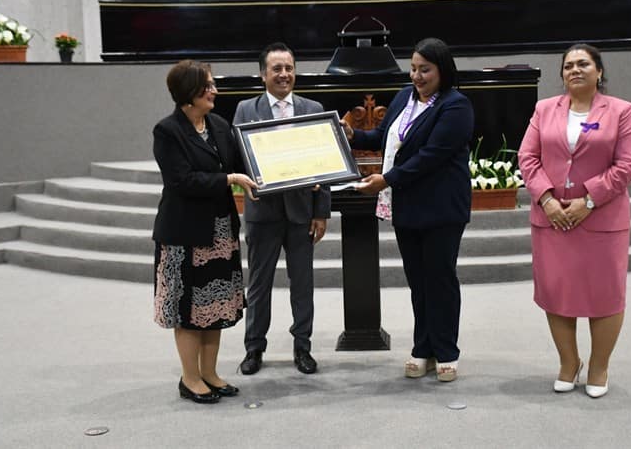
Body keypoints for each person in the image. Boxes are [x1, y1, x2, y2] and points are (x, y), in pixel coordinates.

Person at [340, 37, 474, 382]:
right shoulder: (404, 97)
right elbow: (385, 137)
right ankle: (423, 348)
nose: (416, 75)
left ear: (442, 70)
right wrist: (353, 134)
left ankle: (446, 351)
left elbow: (429, 157)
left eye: (424, 69)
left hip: (442, 207)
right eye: (413, 68)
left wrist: (385, 180)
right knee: (418, 282)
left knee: (440, 279)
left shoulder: (456, 106)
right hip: (409, 206)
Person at [518, 44, 631, 398]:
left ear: (599, 71)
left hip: (602, 219)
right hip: (553, 219)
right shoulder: (544, 110)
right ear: (561, 74)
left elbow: (629, 163)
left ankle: (599, 366)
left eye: (584, 63)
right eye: (569, 65)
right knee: (557, 292)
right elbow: (527, 157)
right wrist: (547, 200)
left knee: (605, 295)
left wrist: (589, 200)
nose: (575, 69)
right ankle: (568, 363)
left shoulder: (620, 111)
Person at [152, 60, 258, 404]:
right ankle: (190, 377)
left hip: (220, 230)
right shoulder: (168, 131)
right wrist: (229, 180)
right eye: (208, 86)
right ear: (189, 93)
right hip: (185, 234)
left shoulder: (218, 124)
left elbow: (243, 164)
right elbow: (181, 180)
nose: (215, 91)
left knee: (214, 307)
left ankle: (210, 373)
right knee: (189, 309)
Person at [233, 42, 331, 375]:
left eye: (289, 68)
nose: (284, 74)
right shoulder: (246, 110)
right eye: (277, 68)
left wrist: (322, 212)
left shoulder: (312, 107)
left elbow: (325, 162)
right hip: (262, 213)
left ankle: (302, 347)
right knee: (259, 284)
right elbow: (238, 159)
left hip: (302, 213)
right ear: (263, 74)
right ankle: (253, 348)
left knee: (303, 284)